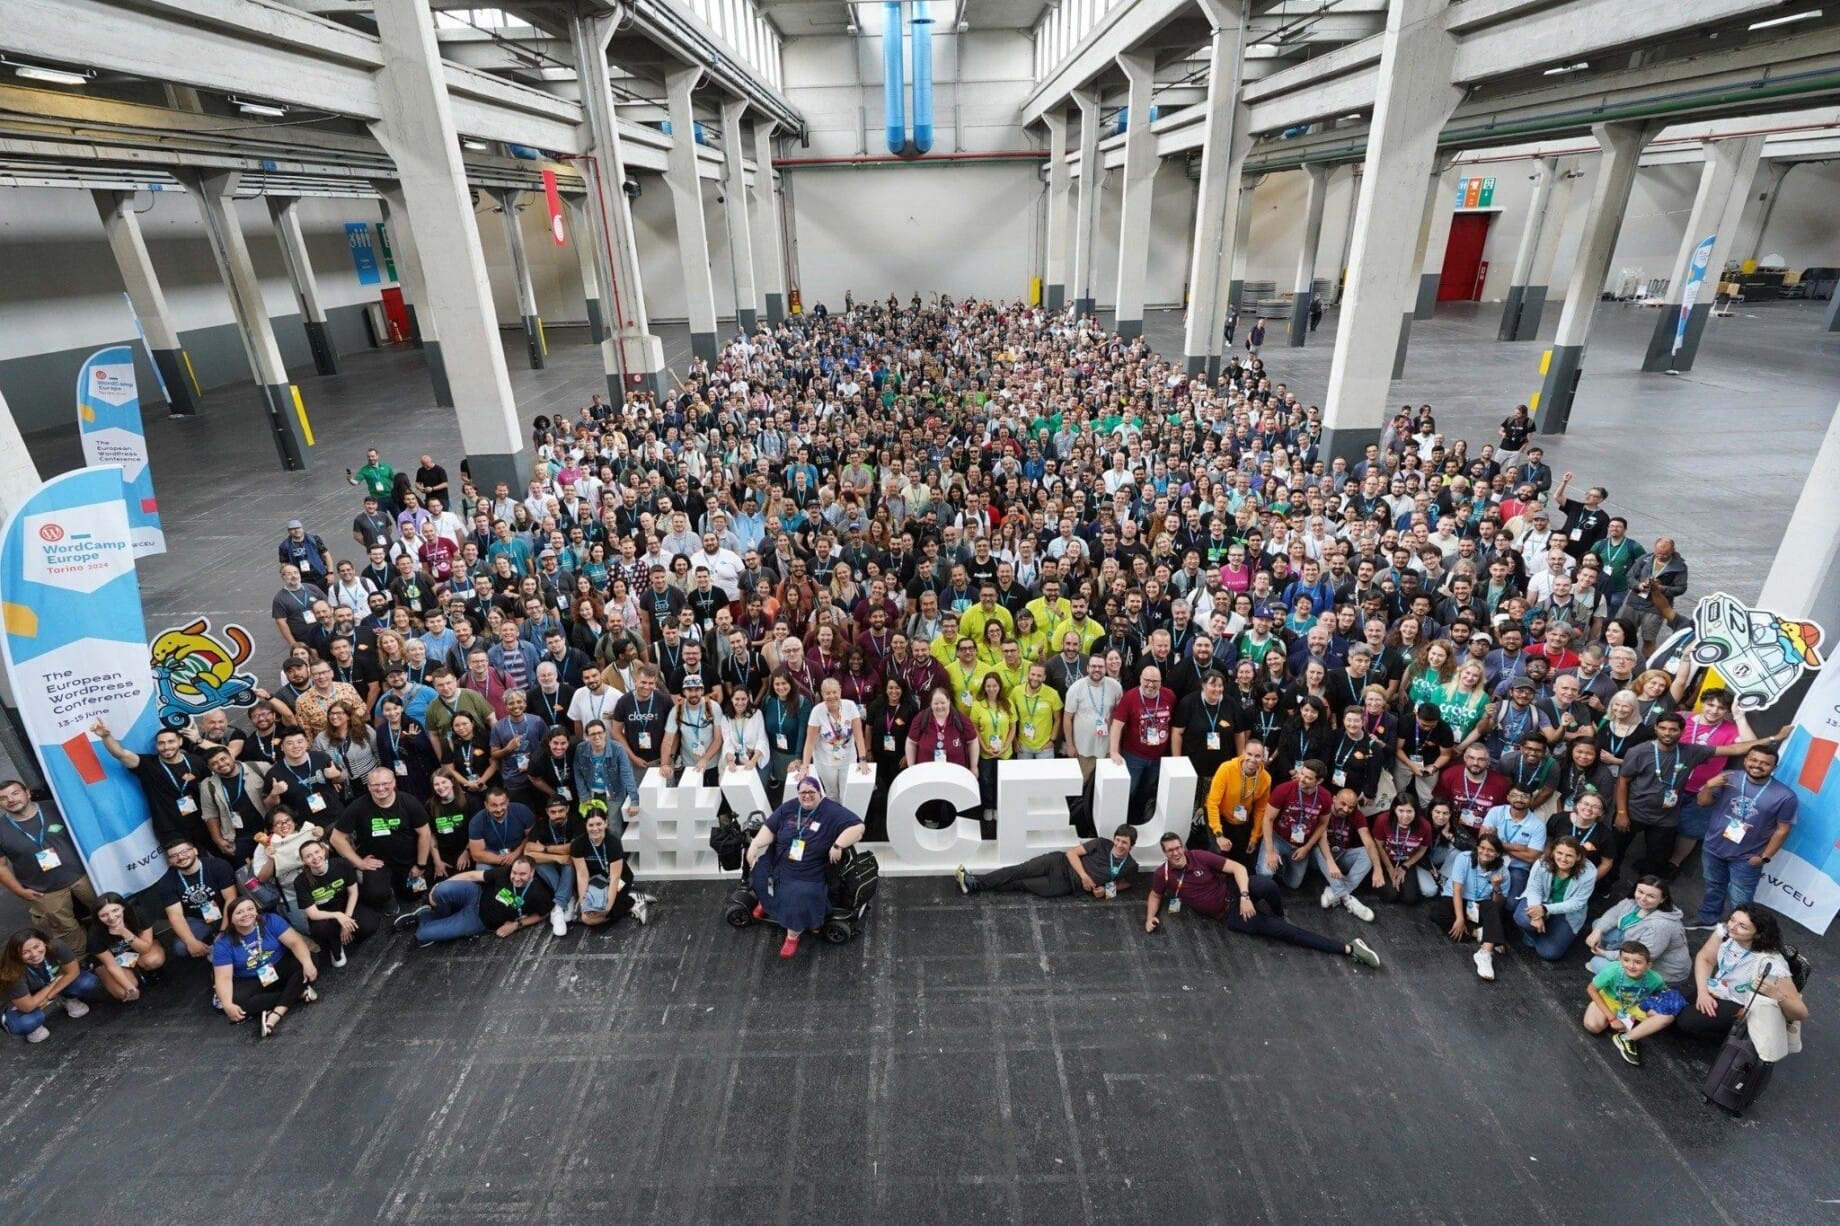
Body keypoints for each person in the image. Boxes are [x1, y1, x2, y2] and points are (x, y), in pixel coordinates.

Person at [1143, 836, 1381, 968]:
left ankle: (1277, 911)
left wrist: (1245, 896)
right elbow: (1155, 895)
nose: (1176, 853)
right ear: (1164, 854)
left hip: (1235, 893)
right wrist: (1149, 917)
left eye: (1178, 848)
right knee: (1285, 933)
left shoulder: (1199, 857)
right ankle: (1349, 949)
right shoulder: (1162, 875)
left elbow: (1237, 867)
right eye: (1170, 851)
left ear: (1183, 847)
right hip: (1229, 915)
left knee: (1267, 885)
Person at [744, 775, 865, 959]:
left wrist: (838, 845)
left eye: (811, 792)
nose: (807, 796)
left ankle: (793, 935)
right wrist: (755, 845)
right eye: (803, 792)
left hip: (810, 869)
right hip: (781, 860)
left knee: (799, 894)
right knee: (760, 870)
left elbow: (858, 828)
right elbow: (770, 827)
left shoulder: (832, 811)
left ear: (820, 792)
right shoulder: (789, 807)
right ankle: (767, 904)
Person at [1674, 907, 1809, 1053]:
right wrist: (1702, 992)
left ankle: (1736, 1036)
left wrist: (1777, 995)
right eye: (1732, 919)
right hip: (1719, 990)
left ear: (1758, 935)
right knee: (1675, 1010)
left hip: (1742, 1004)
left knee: (1685, 1022)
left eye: (1742, 926)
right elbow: (1706, 958)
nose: (1732, 926)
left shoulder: (1770, 963)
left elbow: (1801, 1012)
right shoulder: (1725, 933)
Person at [1693, 744, 1797, 925]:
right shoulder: (1729, 777)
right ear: (1746, 760)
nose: (1757, 765)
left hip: (1747, 856)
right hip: (1714, 847)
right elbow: (1703, 803)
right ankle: (1707, 918)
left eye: (1765, 763)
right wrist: (1709, 786)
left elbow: (1783, 829)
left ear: (1774, 768)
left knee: (1740, 898)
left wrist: (1764, 857)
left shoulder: (1785, 796)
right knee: (1713, 886)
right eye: (1753, 760)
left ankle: (1737, 933)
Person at [0, 780, 98, 960]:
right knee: (64, 929)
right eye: (3, 798)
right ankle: (82, 960)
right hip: (42, 890)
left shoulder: (55, 808)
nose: (11, 800)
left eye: (15, 793)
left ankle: (116, 942)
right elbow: (1, 867)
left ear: (27, 793)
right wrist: (20, 891)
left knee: (104, 910)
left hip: (83, 875)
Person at [210, 895, 319, 1038]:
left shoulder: (271, 921)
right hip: (251, 978)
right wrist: (227, 1004)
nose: (246, 914)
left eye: (250, 909)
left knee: (309, 959)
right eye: (239, 912)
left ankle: (274, 1015)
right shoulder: (223, 943)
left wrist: (307, 963)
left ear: (257, 911)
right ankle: (297, 992)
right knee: (237, 1003)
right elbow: (223, 977)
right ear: (231, 918)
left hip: (278, 967)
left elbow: (295, 943)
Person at [330, 767, 435, 914]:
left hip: (408, 859)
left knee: (414, 895)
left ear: (394, 783)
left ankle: (396, 884)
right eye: (375, 785)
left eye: (385, 783)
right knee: (375, 894)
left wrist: (420, 865)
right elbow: (336, 838)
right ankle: (387, 895)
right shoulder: (358, 806)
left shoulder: (409, 802)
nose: (381, 788)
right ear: (369, 786)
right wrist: (359, 862)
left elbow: (425, 833)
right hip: (378, 862)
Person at [394, 856, 555, 948]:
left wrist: (516, 925)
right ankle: (435, 914)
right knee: (441, 891)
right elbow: (474, 876)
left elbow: (543, 914)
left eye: (522, 874)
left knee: (422, 935)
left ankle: (424, 917)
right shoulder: (505, 873)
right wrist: (442, 885)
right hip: (476, 894)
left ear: (532, 873)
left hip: (479, 919)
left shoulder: (538, 893)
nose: (516, 878)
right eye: (514, 872)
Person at [957, 826, 1140, 898]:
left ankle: (980, 887)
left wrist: (1108, 891)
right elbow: (1072, 854)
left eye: (1124, 842)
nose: (1119, 845)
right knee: (1019, 870)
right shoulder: (1102, 843)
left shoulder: (1131, 866)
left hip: (1064, 885)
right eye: (1118, 840)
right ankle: (975, 884)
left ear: (1131, 846)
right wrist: (1084, 876)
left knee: (1021, 884)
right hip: (1059, 863)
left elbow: (1127, 883)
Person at [1582, 942, 1686, 1067]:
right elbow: (1591, 989)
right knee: (1593, 1026)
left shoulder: (1655, 978)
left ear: (1648, 965)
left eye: (1638, 962)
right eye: (1626, 960)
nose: (1631, 966)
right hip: (1609, 999)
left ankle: (1627, 1037)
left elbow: (1663, 992)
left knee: (1667, 1016)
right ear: (1620, 960)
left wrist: (1670, 1000)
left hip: (1636, 1005)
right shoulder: (1612, 971)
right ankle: (1615, 1019)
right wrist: (1612, 1018)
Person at [1431, 831, 1512, 981]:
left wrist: (1496, 887)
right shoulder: (1465, 858)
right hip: (1458, 898)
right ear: (1477, 847)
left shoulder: (1503, 871)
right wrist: (1460, 918)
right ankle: (1480, 934)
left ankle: (1485, 953)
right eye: (1482, 848)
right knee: (1437, 913)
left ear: (1498, 854)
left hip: (1480, 904)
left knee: (1493, 909)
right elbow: (1457, 889)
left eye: (1490, 850)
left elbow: (1498, 903)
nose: (1485, 852)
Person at [3, 927, 107, 1042]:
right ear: (16, 955)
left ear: (44, 942)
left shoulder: (56, 946)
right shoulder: (11, 971)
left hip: (47, 990)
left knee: (87, 982)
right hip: (24, 999)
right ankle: (33, 1027)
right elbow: (27, 1006)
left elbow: (73, 971)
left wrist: (49, 996)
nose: (34, 954)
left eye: (37, 946)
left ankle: (68, 999)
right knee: (25, 1023)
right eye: (25, 952)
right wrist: (53, 984)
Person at [1585, 876, 1691, 983]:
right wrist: (1597, 931)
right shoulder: (1633, 902)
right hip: (1635, 945)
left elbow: (1642, 956)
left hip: (1658, 967)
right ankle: (1613, 955)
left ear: (1662, 899)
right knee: (1598, 924)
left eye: (1651, 896)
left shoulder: (1660, 926)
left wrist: (1605, 954)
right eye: (1640, 891)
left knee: (1597, 962)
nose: (1643, 898)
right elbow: (1613, 914)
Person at [294, 838, 381, 968]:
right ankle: (334, 944)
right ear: (303, 861)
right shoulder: (300, 881)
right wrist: (339, 916)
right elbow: (313, 914)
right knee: (321, 930)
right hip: (325, 915)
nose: (315, 857)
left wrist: (347, 919)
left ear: (323, 851)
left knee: (368, 926)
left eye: (317, 852)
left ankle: (348, 932)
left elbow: (353, 892)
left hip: (347, 905)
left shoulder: (341, 864)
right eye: (308, 856)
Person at [1511, 836, 1596, 960]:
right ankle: (1535, 930)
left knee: (1549, 952)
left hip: (1567, 912)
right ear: (1553, 852)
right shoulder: (1542, 863)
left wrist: (1544, 910)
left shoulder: (1589, 872)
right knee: (1524, 918)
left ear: (1578, 857)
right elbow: (1534, 889)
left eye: (1569, 855)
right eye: (1559, 853)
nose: (1563, 859)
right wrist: (1537, 915)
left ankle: (1551, 929)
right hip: (1542, 903)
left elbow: (1577, 903)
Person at [156, 839, 237, 961]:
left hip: (226, 911)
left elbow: (231, 899)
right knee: (181, 947)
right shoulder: (166, 882)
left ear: (195, 850)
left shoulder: (218, 865)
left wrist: (223, 932)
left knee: (233, 937)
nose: (181, 857)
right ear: (170, 861)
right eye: (174, 856)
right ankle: (210, 948)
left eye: (184, 851)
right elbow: (175, 916)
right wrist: (191, 942)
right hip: (198, 918)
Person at [572, 807, 648, 927]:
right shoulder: (577, 844)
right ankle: (627, 901)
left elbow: (615, 877)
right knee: (586, 917)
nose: (595, 829)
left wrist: (607, 907)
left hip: (618, 879)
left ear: (606, 823)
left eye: (599, 824)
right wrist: (583, 902)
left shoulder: (613, 843)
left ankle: (632, 903)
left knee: (595, 917)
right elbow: (582, 875)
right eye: (591, 825)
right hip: (596, 880)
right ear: (585, 826)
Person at [86, 892, 165, 1003]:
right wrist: (130, 988)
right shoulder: (94, 934)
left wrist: (124, 931)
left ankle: (146, 971)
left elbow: (145, 948)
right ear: (97, 918)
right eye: (104, 915)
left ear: (123, 907)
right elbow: (111, 965)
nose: (111, 918)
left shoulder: (137, 913)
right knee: (123, 992)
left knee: (153, 960)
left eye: (115, 910)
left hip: (140, 951)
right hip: (114, 960)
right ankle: (132, 977)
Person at [1201, 742, 1271, 862]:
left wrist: (1255, 837)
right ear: (1243, 753)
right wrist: (1218, 834)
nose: (1252, 760)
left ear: (1262, 757)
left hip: (1241, 817)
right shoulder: (1226, 768)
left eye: (1257, 756)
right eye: (1249, 754)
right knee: (1220, 851)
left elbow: (1261, 809)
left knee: (1242, 853)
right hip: (1218, 815)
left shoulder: (1265, 778)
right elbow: (1213, 803)